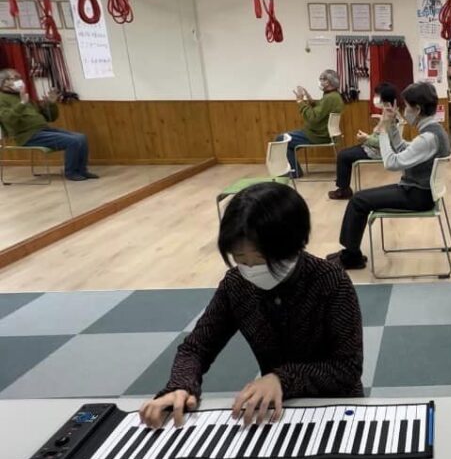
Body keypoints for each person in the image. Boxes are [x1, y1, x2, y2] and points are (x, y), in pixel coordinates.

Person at [138, 182, 364, 428]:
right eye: (240, 259)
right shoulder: (237, 285)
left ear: (294, 244)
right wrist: (180, 386)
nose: (251, 269)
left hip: (336, 407)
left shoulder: (330, 280)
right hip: (272, 412)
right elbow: (197, 347)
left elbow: (347, 368)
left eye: (261, 259)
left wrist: (281, 379)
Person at [330, 82, 451, 270]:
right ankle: (350, 253)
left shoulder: (427, 138)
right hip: (421, 191)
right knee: (360, 198)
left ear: (417, 109)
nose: (404, 111)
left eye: (406, 107)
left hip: (417, 195)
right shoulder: (434, 132)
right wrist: (393, 125)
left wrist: (384, 130)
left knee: (358, 200)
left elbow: (391, 163)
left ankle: (351, 257)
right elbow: (403, 148)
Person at [0, 69, 97, 181]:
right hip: (27, 136)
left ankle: (82, 170)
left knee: (81, 137)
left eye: (20, 78)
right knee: (73, 141)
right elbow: (8, 119)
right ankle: (71, 172)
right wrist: (22, 103)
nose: (20, 81)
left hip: (43, 130)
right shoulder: (3, 99)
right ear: (4, 82)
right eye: (15, 78)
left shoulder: (22, 96)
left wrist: (50, 103)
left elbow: (50, 118)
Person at [328, 82, 399, 200]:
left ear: (384, 98)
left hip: (377, 152)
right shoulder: (387, 112)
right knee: (345, 153)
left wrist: (366, 138)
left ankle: (343, 189)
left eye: (377, 95)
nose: (375, 98)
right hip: (372, 148)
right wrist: (367, 137)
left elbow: (383, 142)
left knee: (343, 155)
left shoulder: (390, 116)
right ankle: (343, 185)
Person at [275, 69, 345, 178]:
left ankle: (294, 172)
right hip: (324, 134)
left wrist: (300, 102)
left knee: (281, 139)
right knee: (287, 141)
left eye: (322, 79)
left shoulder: (330, 98)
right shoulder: (334, 96)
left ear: (329, 82)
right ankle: (294, 169)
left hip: (317, 135)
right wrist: (309, 98)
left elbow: (313, 117)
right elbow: (321, 108)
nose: (320, 82)